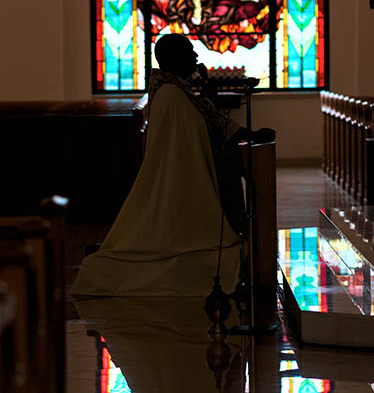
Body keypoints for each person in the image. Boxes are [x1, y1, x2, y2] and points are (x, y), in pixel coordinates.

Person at [72, 34, 275, 298]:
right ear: (174, 59)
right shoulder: (171, 96)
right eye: (190, 52)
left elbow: (205, 126)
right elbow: (200, 135)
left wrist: (228, 116)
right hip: (183, 189)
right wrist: (245, 134)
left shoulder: (176, 91)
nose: (196, 57)